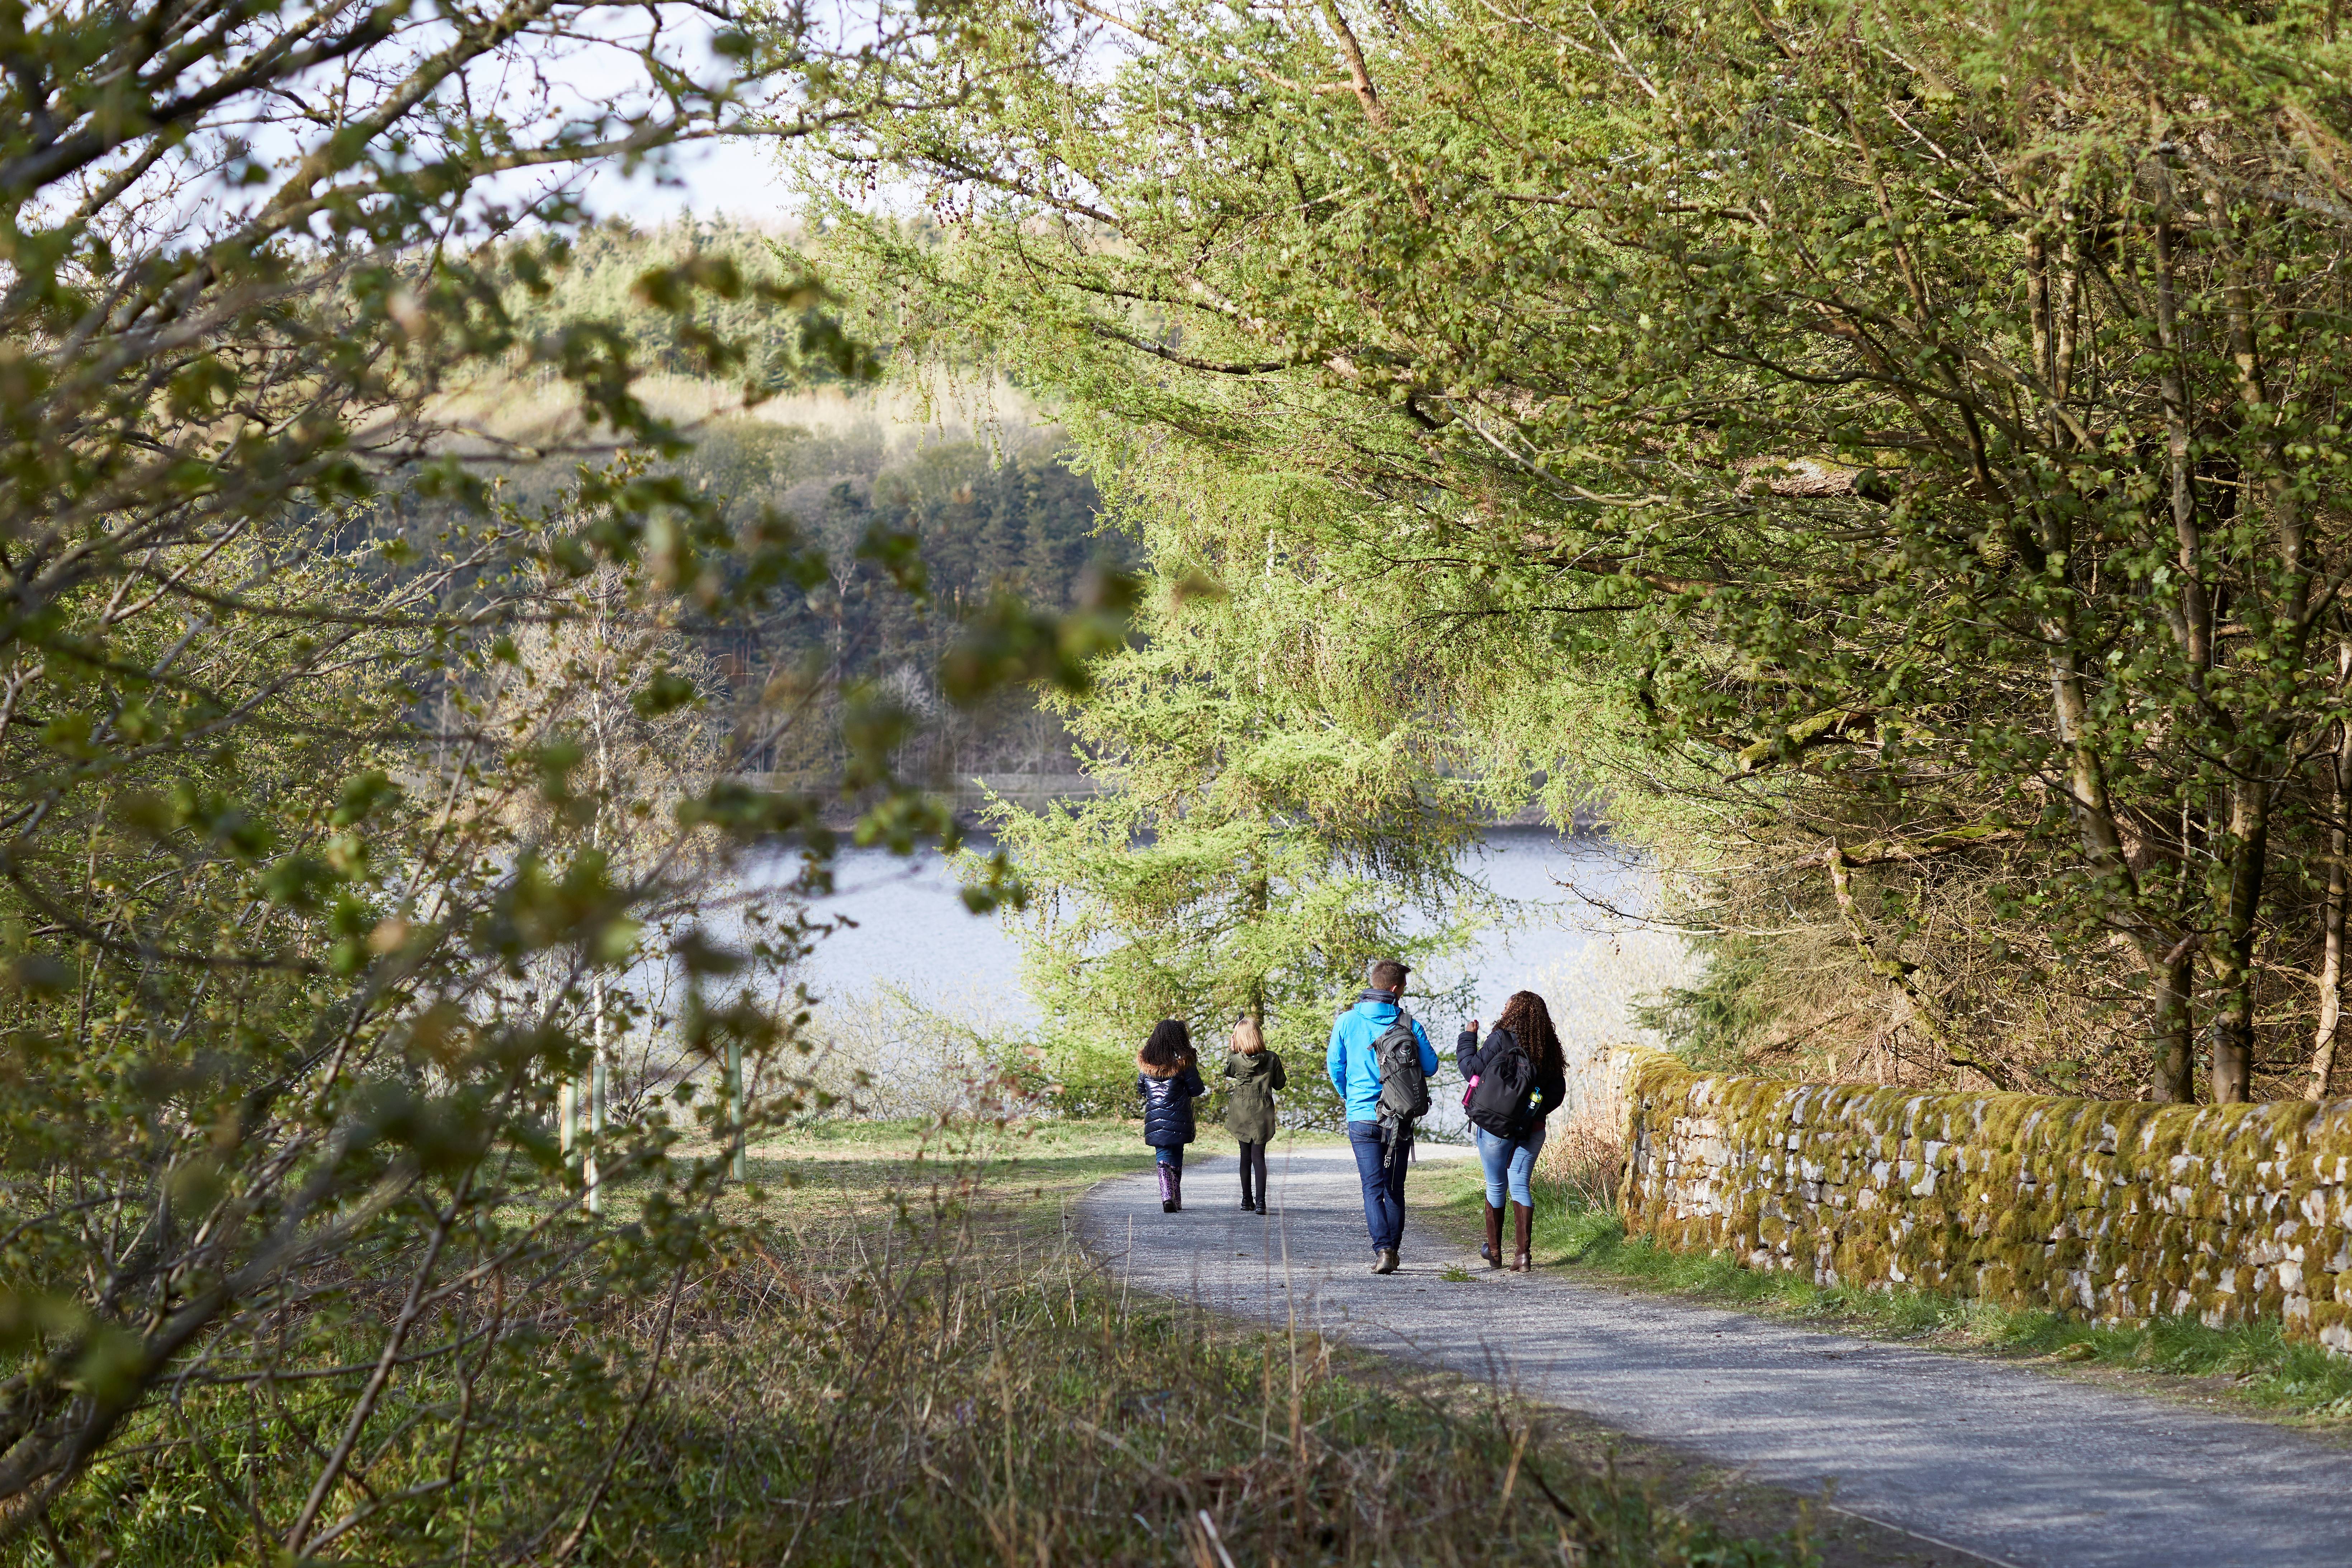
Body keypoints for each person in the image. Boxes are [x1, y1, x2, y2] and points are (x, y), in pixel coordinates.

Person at [1327, 959, 1438, 1275]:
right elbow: (1430, 1067)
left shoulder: (1346, 1022)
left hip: (1361, 1118)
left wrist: (1350, 1097)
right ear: (1393, 989)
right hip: (1399, 1117)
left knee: (1372, 1188)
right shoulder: (1409, 1024)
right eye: (1403, 987)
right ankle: (1394, 1248)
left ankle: (1384, 1250)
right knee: (1394, 1188)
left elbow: (1335, 1067)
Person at [1457, 990, 1569, 1271]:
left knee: (1497, 1185)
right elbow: (1557, 1092)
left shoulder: (1501, 1038)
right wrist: (1534, 1111)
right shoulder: (1548, 1048)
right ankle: (1523, 1256)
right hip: (1532, 1128)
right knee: (1520, 1185)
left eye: (1506, 1007)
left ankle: (1494, 1254)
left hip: (1495, 1126)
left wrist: (1468, 1038)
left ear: (1513, 1012)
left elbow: (1471, 1069)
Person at [1137, 1019, 1206, 1213]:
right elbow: (1197, 1090)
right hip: (1180, 1116)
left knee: (1163, 1153)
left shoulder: (1147, 1062)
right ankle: (1175, 1199)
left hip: (1156, 1116)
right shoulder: (1184, 1063)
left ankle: (1168, 1196)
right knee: (1177, 1152)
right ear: (1180, 1039)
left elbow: (1142, 1088)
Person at [1222, 1017, 1286, 1213]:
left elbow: (1228, 1071)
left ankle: (1246, 1201)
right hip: (1263, 1110)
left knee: (1245, 1156)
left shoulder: (1236, 1059)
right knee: (1259, 1156)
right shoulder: (1272, 1058)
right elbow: (1280, 1084)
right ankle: (1261, 1203)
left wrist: (1231, 1050)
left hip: (1240, 1109)